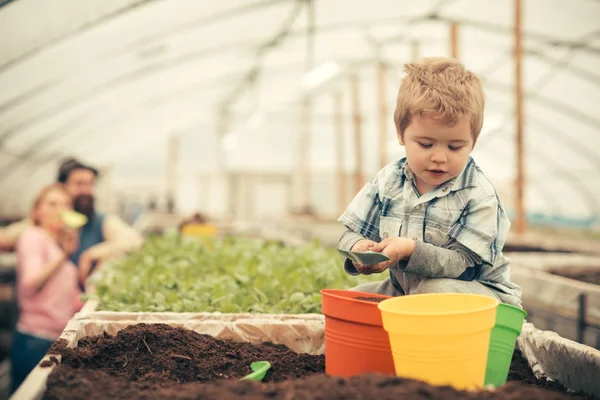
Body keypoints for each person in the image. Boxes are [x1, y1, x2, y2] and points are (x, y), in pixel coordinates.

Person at [337, 57, 522, 307]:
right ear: (401, 134)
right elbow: (350, 233)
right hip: (407, 290)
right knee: (352, 301)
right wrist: (359, 247)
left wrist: (411, 250)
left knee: (434, 291)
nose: (439, 157)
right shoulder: (388, 182)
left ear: (473, 142)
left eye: (455, 147)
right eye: (425, 144)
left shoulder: (478, 194)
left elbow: (462, 266)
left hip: (480, 298)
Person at [0, 158, 143, 283]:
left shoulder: (100, 221)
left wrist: (91, 254)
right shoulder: (44, 222)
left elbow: (134, 240)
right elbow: (8, 237)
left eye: (90, 184)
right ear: (61, 186)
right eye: (79, 184)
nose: (87, 191)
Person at [10, 184, 83, 394]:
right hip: (35, 339)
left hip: (55, 338)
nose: (60, 209)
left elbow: (67, 296)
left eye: (66, 204)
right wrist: (65, 255)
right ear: (37, 212)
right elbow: (31, 283)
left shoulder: (55, 245)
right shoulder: (33, 237)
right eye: (52, 204)